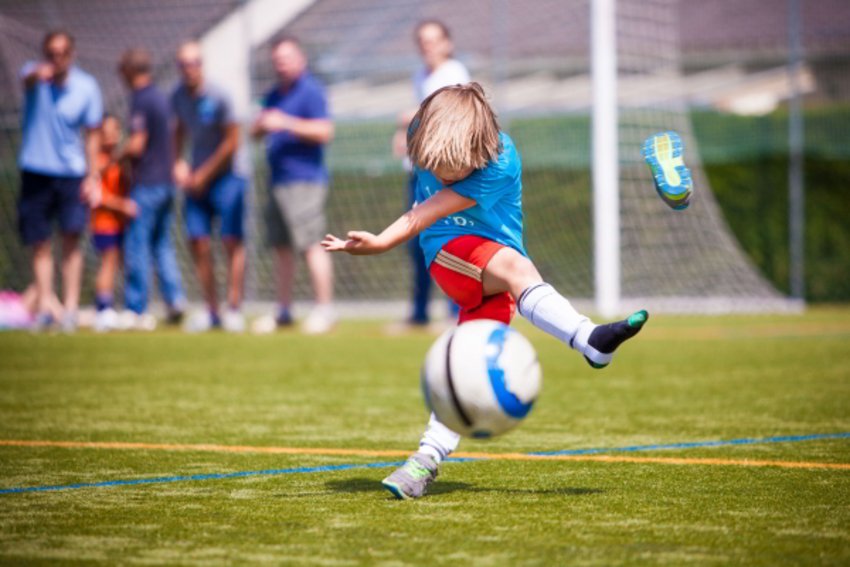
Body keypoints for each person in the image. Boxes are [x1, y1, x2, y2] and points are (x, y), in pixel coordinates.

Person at [323, 83, 649, 499]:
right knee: (517, 268)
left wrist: (381, 241)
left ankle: (423, 462)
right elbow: (427, 213)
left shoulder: (500, 161)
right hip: (447, 254)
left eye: (451, 170)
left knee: (466, 367)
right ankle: (589, 339)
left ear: (478, 150)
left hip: (494, 268)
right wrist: (382, 239)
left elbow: (425, 207)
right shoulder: (423, 132)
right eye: (432, 163)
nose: (439, 174)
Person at [17, 29, 103, 332]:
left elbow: (93, 135)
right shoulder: (34, 78)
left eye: (62, 53)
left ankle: (68, 310)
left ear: (72, 54)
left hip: (71, 173)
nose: (57, 59)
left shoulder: (87, 87)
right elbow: (26, 78)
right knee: (39, 243)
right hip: (36, 169)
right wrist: (39, 75)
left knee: (71, 239)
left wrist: (93, 176)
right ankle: (43, 308)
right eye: (51, 54)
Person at [251, 36, 336, 335]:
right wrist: (261, 125)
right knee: (281, 247)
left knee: (312, 245)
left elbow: (325, 131)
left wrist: (286, 122)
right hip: (278, 180)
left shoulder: (311, 91)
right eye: (277, 60)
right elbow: (256, 131)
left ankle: (324, 310)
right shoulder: (273, 94)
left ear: (301, 59)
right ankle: (283, 310)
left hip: (305, 181)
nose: (281, 65)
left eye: (287, 58)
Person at [390, 20, 470, 332]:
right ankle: (420, 312)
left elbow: (446, 112)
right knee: (418, 240)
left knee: (448, 238)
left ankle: (456, 312)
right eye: (423, 40)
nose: (428, 46)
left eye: (434, 40)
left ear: (447, 43)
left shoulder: (454, 73)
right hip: (420, 171)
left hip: (444, 172)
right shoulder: (421, 76)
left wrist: (410, 117)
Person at [172, 41, 247, 333]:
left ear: (202, 64)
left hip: (229, 177)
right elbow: (177, 131)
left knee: (231, 241)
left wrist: (203, 174)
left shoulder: (220, 95)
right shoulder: (177, 95)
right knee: (199, 242)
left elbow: (232, 142)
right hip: (196, 181)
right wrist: (178, 163)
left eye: (194, 63)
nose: (189, 69)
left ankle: (234, 309)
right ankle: (211, 310)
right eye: (183, 64)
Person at [116, 48, 186, 330]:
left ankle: (136, 308)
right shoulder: (162, 97)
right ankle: (175, 300)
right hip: (167, 183)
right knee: (162, 245)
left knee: (138, 243)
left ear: (129, 71)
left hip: (147, 182)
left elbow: (137, 144)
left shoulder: (141, 99)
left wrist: (110, 161)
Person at [91, 114, 136, 332]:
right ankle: (102, 309)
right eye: (105, 133)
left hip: (118, 223)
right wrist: (123, 206)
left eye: (114, 132)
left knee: (116, 263)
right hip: (104, 223)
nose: (111, 138)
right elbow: (98, 196)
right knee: (108, 264)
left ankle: (111, 306)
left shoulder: (118, 161)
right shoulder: (98, 161)